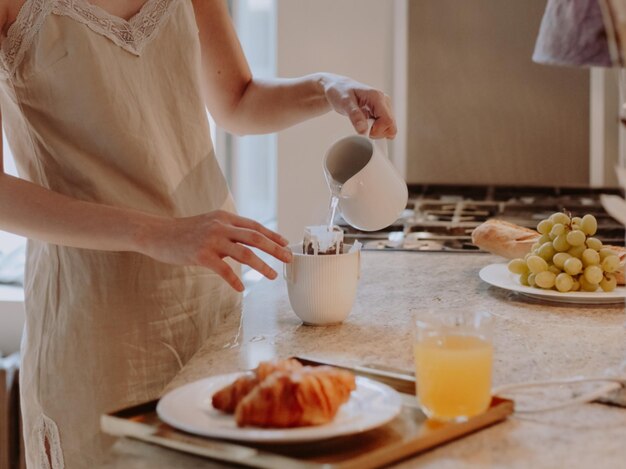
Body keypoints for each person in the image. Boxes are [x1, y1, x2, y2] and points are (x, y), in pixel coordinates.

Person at [0, 0, 397, 467]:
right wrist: (154, 232)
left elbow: (239, 100)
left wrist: (328, 88)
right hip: (98, 328)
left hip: (211, 310)